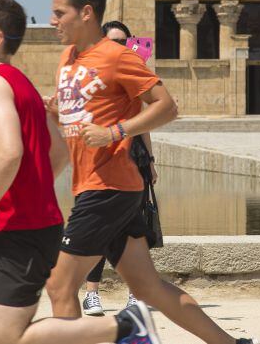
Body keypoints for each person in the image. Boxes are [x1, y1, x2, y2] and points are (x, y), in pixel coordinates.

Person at [44, 0, 259, 344]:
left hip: (108, 187)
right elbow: (78, 122)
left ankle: (130, 329)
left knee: (59, 288)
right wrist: (54, 110)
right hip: (101, 188)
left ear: (86, 13)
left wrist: (116, 132)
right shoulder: (68, 59)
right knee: (147, 287)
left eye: (59, 13)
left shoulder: (117, 57)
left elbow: (167, 107)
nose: (52, 21)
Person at [0, 0, 161, 344]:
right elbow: (60, 154)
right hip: (4, 224)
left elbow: (8, 153)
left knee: (5, 338)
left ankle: (127, 325)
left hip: (21, 230)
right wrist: (26, 192)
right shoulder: (21, 85)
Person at [82, 20, 159, 317]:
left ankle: (135, 294)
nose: (119, 47)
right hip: (101, 159)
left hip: (134, 158)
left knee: (135, 227)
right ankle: (91, 294)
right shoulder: (90, 75)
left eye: (124, 42)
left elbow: (145, 121)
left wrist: (150, 161)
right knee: (98, 226)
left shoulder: (135, 73)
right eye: (113, 41)